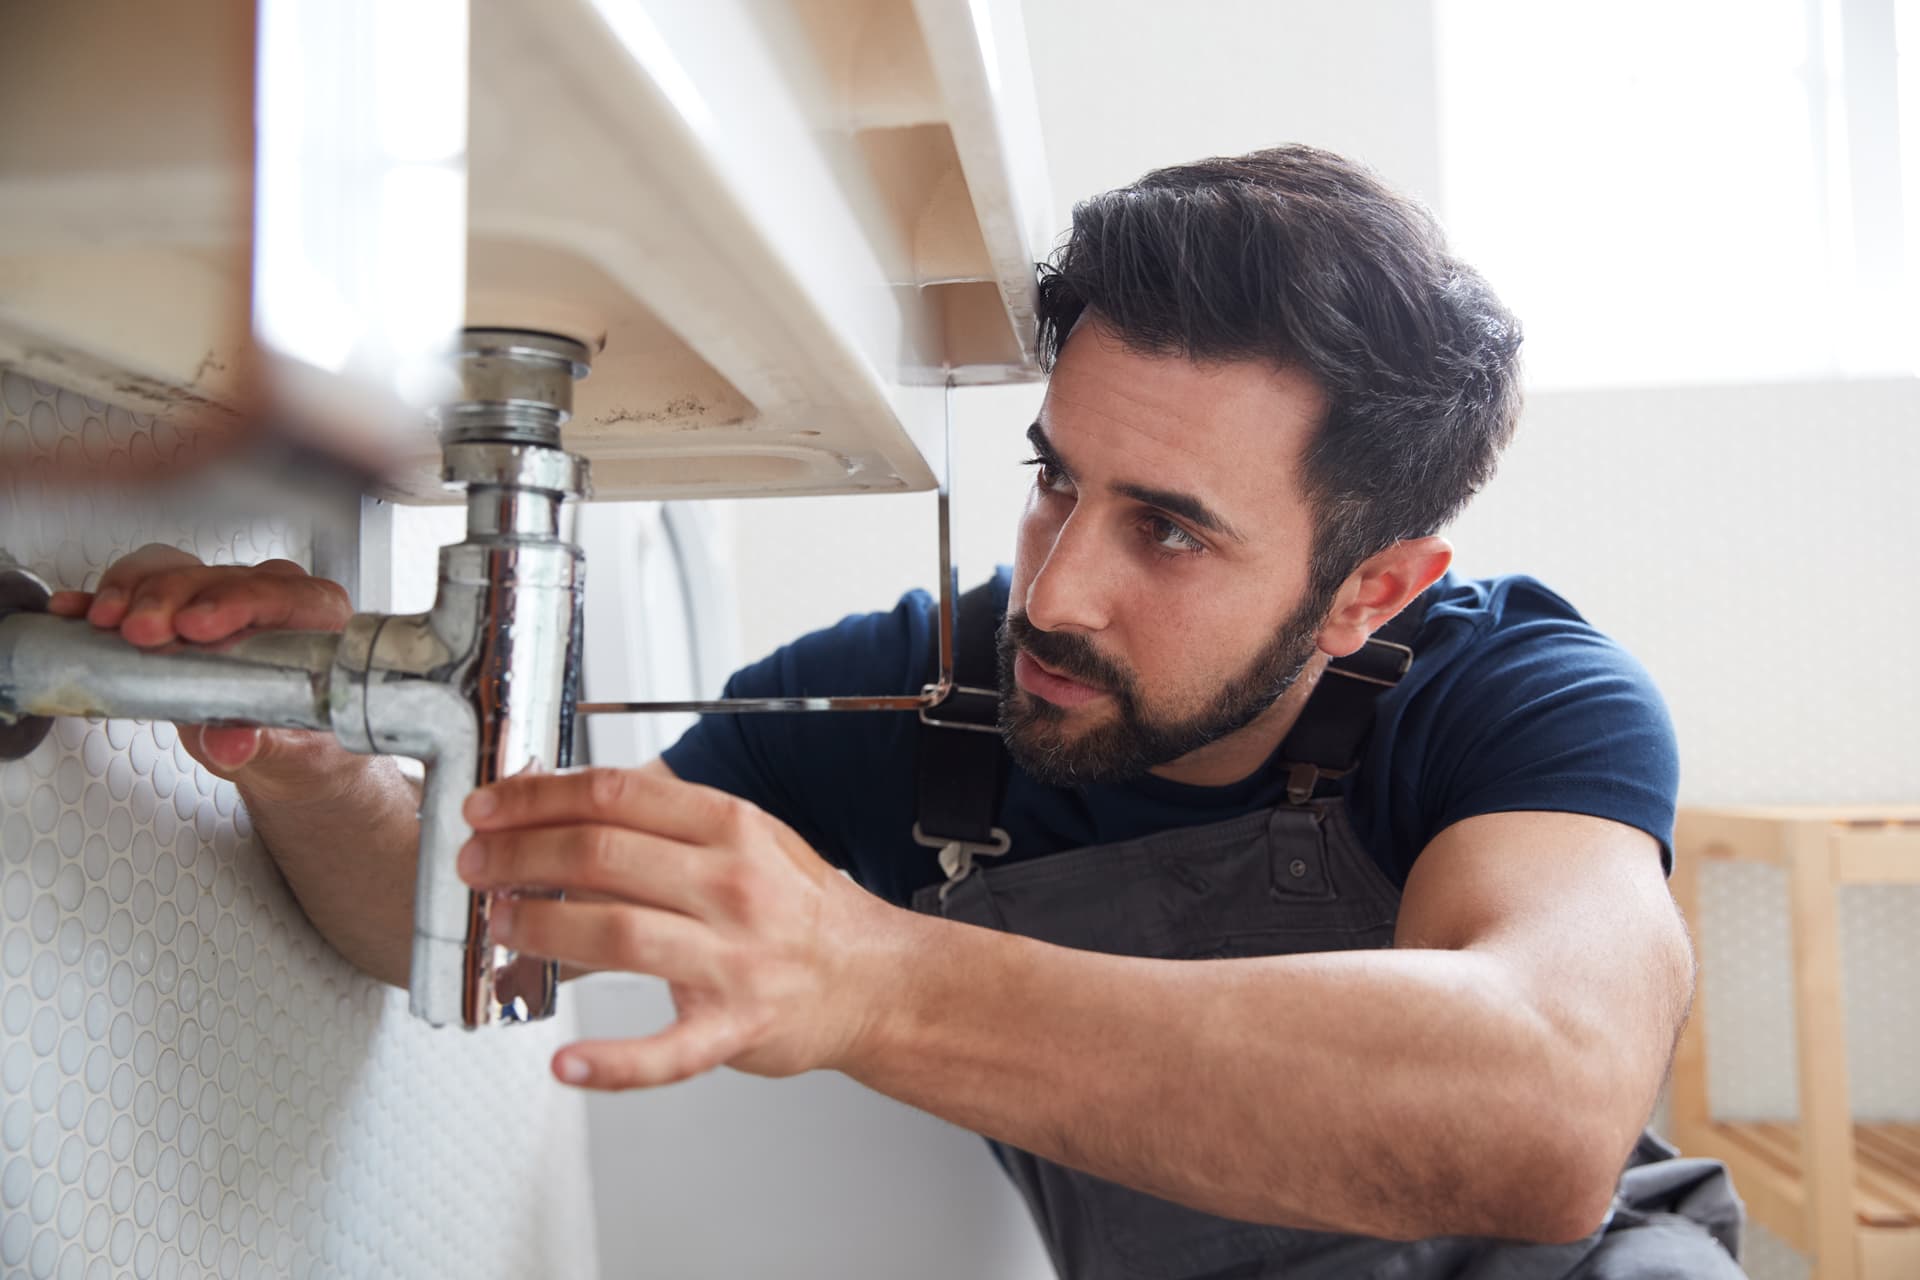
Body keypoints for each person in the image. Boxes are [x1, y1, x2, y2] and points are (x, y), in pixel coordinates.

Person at [54, 146, 1745, 1277]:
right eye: (1053, 482)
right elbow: (503, 916)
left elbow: (1541, 1113)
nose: (1060, 590)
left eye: (1169, 529)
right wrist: (309, 759)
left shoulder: (1519, 695)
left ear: (1373, 586)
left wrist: (866, 972)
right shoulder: (921, 705)